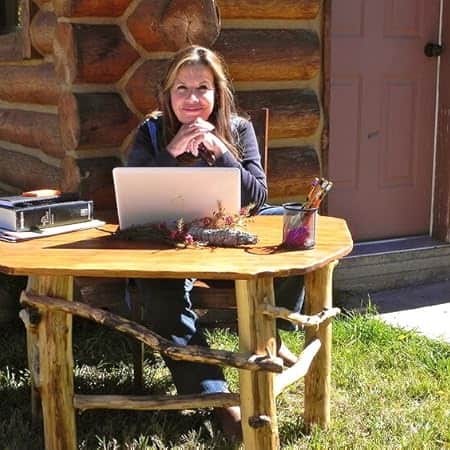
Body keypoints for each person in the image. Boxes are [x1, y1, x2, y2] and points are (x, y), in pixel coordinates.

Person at [126, 45, 304, 441]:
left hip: (229, 232)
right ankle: (219, 398)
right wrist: (171, 153)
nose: (192, 99)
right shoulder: (152, 131)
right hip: (171, 240)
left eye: (202, 88)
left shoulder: (238, 129)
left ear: (217, 93)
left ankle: (270, 333)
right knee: (159, 296)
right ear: (168, 94)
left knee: (298, 227)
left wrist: (222, 153)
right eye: (181, 89)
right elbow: (134, 192)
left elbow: (257, 196)